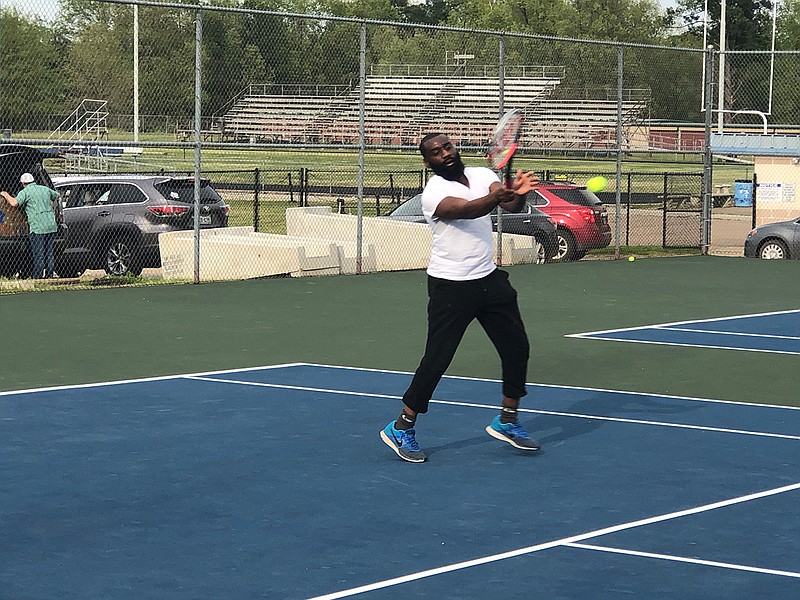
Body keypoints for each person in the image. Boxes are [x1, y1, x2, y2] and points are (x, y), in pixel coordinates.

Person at [380, 132, 539, 463]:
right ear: (428, 162)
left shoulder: (484, 175)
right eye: (436, 152)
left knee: (517, 348)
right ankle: (402, 427)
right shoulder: (434, 193)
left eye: (447, 147)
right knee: (437, 359)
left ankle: (507, 420)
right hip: (450, 285)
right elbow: (466, 210)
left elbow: (507, 202)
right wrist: (497, 199)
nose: (445, 154)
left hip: (489, 279)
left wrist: (516, 196)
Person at [1, 172, 59, 279]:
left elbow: (14, 203)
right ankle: (49, 275)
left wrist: (5, 194)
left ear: (23, 183)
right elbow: (56, 195)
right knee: (49, 253)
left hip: (38, 227)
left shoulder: (25, 192)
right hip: (51, 224)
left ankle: (37, 277)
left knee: (39, 254)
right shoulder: (44, 189)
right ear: (33, 180)